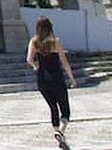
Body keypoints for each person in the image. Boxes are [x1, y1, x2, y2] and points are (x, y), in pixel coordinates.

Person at [26, 16, 78, 148]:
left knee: (53, 107)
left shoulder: (34, 42)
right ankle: (61, 131)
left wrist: (35, 66)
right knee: (65, 109)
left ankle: (57, 133)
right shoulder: (56, 42)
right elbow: (64, 62)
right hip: (57, 78)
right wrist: (71, 78)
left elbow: (29, 59)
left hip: (42, 79)